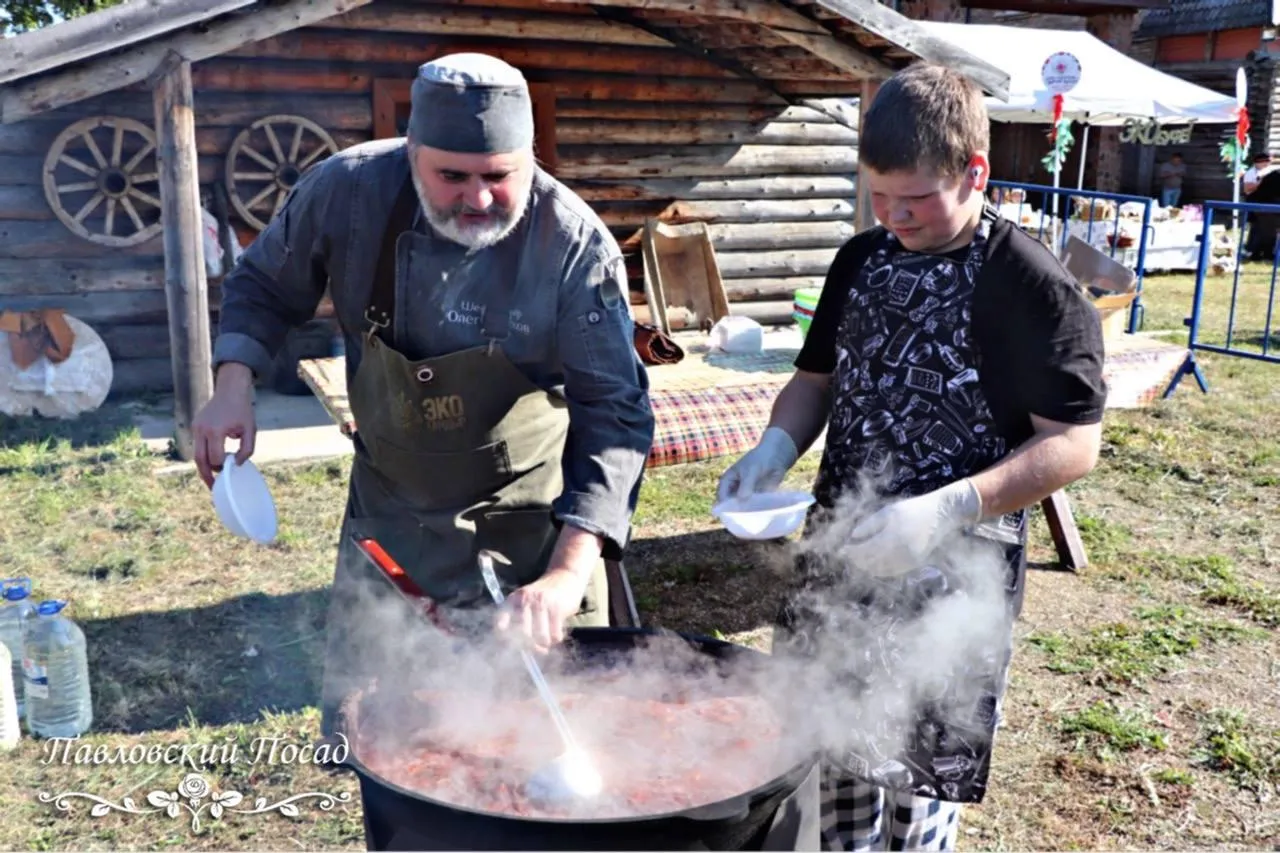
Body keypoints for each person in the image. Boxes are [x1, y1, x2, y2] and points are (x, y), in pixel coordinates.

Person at [192, 53, 656, 735]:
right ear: (411, 152)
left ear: (530, 159)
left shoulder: (573, 245)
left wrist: (565, 573)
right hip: (391, 525)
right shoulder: (348, 192)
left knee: (541, 741)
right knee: (384, 737)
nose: (478, 199)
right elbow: (264, 285)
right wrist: (233, 382)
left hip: (526, 534)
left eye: (499, 176)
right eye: (452, 177)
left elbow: (615, 415)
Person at [717, 63, 1106, 851]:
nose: (894, 215)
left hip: (947, 580)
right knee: (817, 764)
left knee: (911, 799)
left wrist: (948, 507)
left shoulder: (1030, 283)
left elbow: (1073, 442)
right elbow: (814, 381)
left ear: (975, 173)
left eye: (916, 198)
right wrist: (775, 447)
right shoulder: (861, 260)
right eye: (878, 195)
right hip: (836, 557)